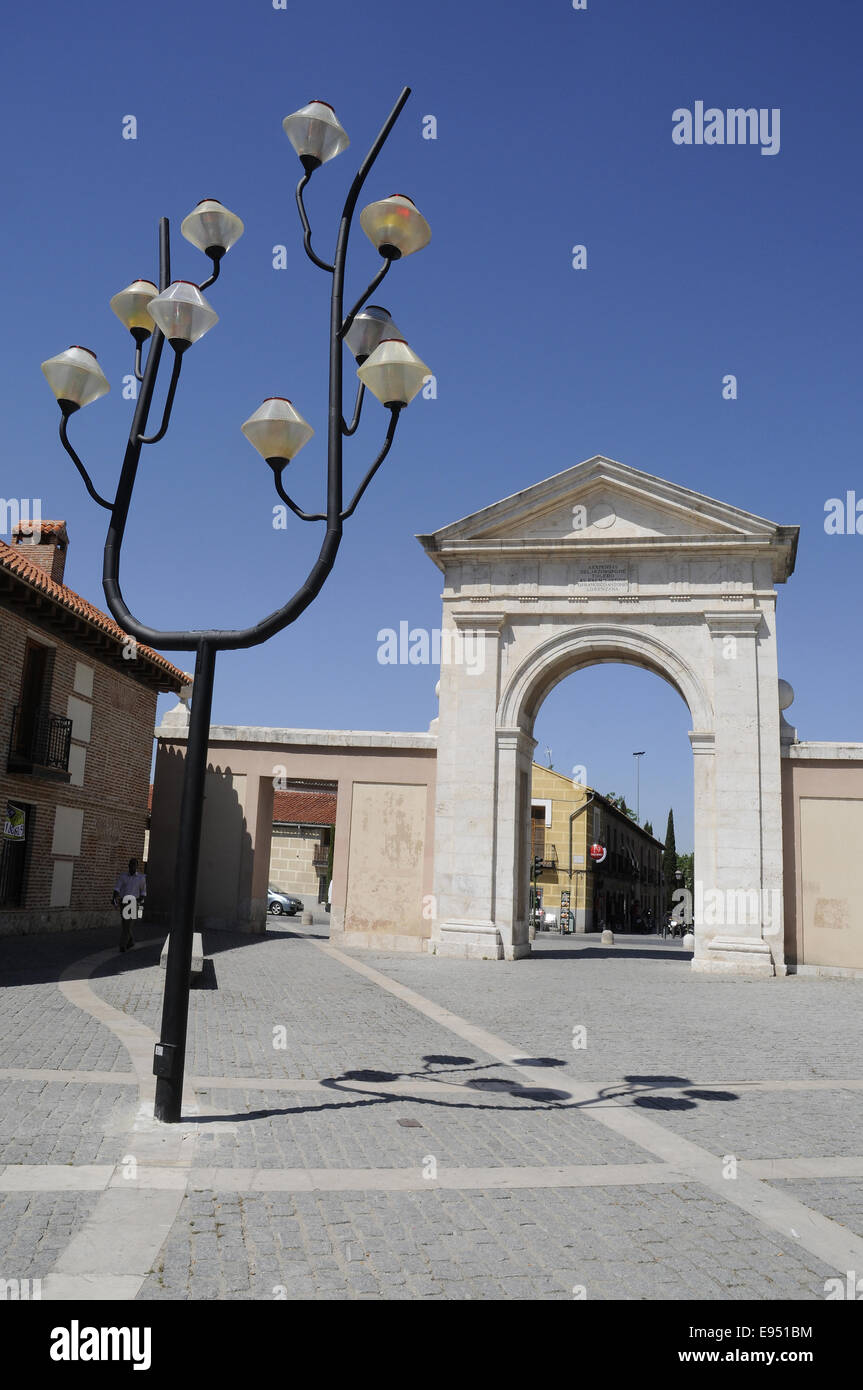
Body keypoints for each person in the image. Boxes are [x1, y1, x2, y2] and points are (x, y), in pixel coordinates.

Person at [113, 857, 146, 953]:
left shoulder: (141, 878)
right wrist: (114, 897)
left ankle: (122, 945)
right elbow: (117, 888)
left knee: (128, 924)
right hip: (124, 901)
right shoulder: (123, 876)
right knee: (125, 924)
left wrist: (140, 900)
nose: (132, 866)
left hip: (134, 902)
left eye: (134, 865)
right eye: (131, 864)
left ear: (137, 866)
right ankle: (130, 941)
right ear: (128, 865)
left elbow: (143, 891)